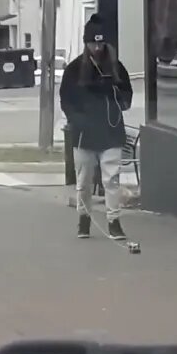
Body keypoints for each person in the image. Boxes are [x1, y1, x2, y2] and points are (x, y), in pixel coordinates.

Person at [60, 13, 133, 240]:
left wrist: (116, 94)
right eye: (93, 43)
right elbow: (66, 99)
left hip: (110, 131)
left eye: (101, 43)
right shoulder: (74, 70)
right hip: (84, 134)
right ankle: (84, 218)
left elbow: (127, 96)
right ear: (86, 43)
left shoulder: (116, 67)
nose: (97, 47)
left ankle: (114, 220)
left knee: (111, 179)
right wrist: (76, 118)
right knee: (83, 182)